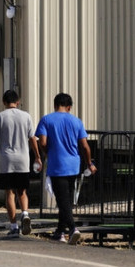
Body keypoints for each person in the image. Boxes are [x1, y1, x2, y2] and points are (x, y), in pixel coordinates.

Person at [34, 93, 96, 244]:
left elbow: (42, 142)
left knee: (63, 201)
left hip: (57, 165)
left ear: (55, 105)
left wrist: (48, 152)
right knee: (66, 198)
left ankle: (73, 228)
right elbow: (85, 146)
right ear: (69, 107)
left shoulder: (47, 119)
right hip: (73, 165)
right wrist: (90, 163)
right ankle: (59, 232)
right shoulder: (76, 121)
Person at [0, 90, 42, 238]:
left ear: (4, 102)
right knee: (22, 191)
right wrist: (37, 156)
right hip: (23, 158)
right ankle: (25, 213)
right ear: (18, 101)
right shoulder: (26, 116)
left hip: (7, 159)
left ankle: (14, 226)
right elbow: (32, 138)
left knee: (9, 193)